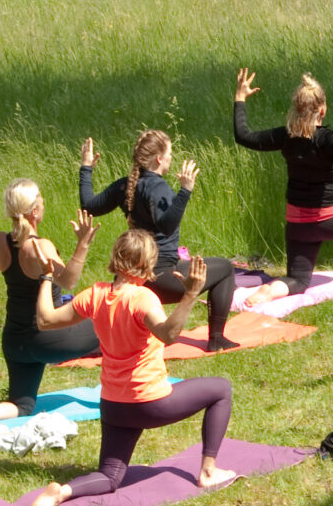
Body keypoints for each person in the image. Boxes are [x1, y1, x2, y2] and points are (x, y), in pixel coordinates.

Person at [27, 229, 236, 506]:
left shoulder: (96, 294)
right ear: (148, 265)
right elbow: (169, 334)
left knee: (110, 477)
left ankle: (61, 492)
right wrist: (190, 294)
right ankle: (209, 472)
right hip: (150, 403)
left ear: (115, 259)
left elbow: (45, 320)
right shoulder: (143, 298)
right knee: (221, 389)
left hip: (114, 406)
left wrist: (47, 277)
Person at [232, 68, 333, 307]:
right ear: (323, 110)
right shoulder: (327, 139)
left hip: (298, 226)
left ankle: (268, 291)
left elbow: (243, 136)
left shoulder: (285, 136)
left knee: (297, 280)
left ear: (296, 110)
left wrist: (240, 99)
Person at [0, 178, 100, 432]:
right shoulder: (41, 246)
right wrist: (83, 244)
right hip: (51, 339)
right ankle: (133, 389)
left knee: (21, 405)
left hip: (15, 342)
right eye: (40, 197)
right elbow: (69, 281)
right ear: (34, 211)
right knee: (109, 320)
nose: (43, 201)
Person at [78, 131, 239, 351]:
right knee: (226, 269)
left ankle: (102, 343)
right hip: (161, 278)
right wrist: (185, 190)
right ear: (159, 159)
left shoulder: (125, 185)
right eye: (170, 153)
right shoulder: (159, 187)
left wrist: (86, 168)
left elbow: (89, 206)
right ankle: (217, 338)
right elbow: (167, 224)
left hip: (131, 278)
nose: (171, 158)